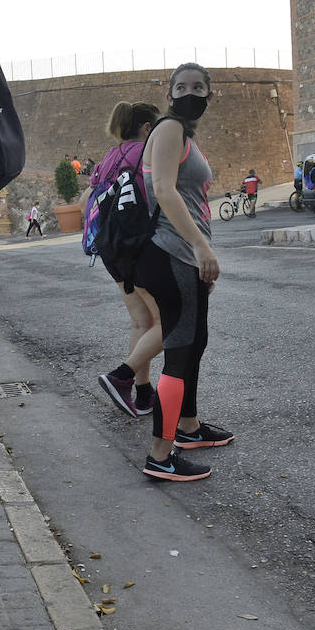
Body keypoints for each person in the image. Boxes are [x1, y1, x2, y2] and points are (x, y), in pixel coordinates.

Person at [97, 65, 234, 482]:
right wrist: (200, 246)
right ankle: (161, 455)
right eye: (182, 87)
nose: (190, 93)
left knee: (192, 343)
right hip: (172, 253)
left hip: (181, 256)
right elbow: (164, 191)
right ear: (169, 93)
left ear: (210, 95)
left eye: (198, 87)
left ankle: (188, 429)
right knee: (178, 352)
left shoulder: (182, 133)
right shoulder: (171, 127)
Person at [92, 100, 162, 419]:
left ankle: (144, 392)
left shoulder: (109, 156)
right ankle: (123, 377)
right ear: (147, 128)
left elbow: (89, 201)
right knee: (170, 322)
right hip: (139, 248)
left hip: (112, 249)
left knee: (141, 322)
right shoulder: (144, 154)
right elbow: (159, 198)